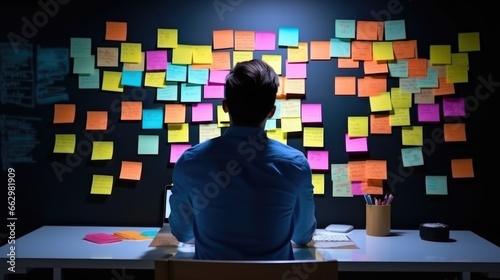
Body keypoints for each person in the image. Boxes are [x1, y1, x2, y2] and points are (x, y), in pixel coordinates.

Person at [169, 59, 317, 260]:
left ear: (225, 106)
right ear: (271, 112)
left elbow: (182, 234)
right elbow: (302, 236)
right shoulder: (296, 165)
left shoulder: (190, 162)